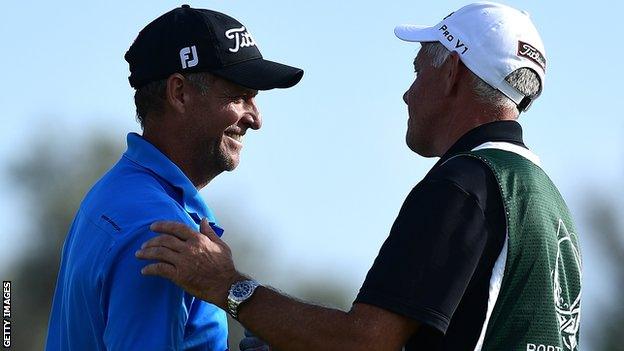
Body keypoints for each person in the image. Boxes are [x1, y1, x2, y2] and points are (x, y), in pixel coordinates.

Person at [136, 2, 582, 350]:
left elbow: (366, 342)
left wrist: (229, 286)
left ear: (452, 76)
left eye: (418, 71)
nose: (408, 94)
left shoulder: (465, 184)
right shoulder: (544, 195)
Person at [44, 5, 302, 351]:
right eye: (239, 96)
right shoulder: (162, 232)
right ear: (179, 92)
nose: (255, 119)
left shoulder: (116, 191)